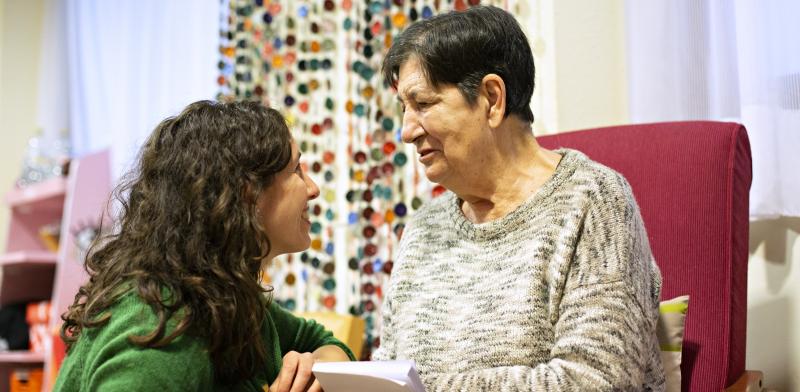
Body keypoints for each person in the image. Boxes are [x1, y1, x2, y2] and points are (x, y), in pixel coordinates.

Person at [371, 5, 665, 391]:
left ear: (492, 98)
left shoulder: (593, 203)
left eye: (423, 104)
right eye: (404, 109)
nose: (407, 131)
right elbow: (387, 368)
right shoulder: (423, 229)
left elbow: (595, 381)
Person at [54, 100, 354, 391]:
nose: (313, 189)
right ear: (248, 194)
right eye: (296, 170)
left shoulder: (224, 298)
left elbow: (328, 344)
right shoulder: (165, 327)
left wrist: (308, 370)